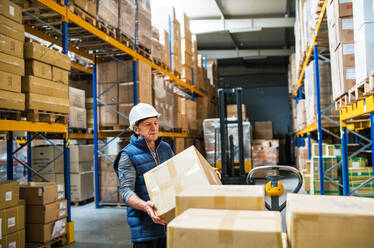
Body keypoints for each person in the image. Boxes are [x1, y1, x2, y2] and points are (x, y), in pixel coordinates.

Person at [113, 103, 171, 248]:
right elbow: (126, 191)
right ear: (136, 129)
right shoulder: (128, 155)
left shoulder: (165, 148)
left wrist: (204, 170)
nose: (154, 128)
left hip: (167, 223)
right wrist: (145, 206)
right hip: (144, 229)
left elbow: (178, 169)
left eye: (156, 123)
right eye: (148, 124)